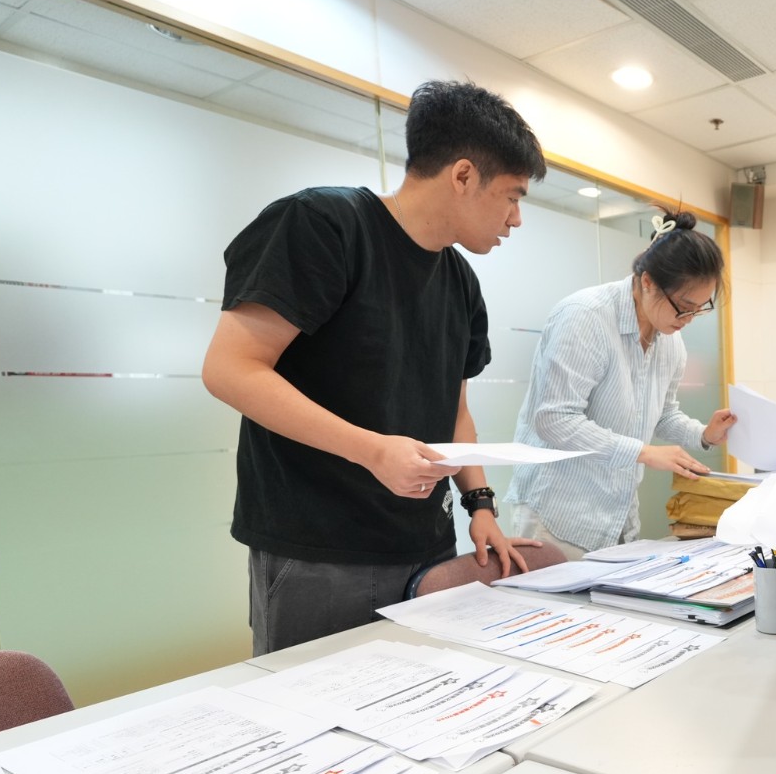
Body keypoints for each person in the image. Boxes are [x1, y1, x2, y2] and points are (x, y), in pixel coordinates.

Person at [203, 80, 552, 656]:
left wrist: (481, 505)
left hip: (426, 544)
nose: (516, 219)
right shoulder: (323, 225)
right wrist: (372, 451)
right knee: (312, 703)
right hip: (319, 552)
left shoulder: (461, 281)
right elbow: (230, 369)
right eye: (512, 197)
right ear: (464, 176)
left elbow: (455, 412)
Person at [503, 210, 738, 557]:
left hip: (617, 516)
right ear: (648, 282)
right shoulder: (585, 317)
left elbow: (663, 414)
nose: (688, 319)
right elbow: (554, 419)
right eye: (683, 307)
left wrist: (705, 435)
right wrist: (643, 453)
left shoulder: (670, 339)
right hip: (557, 515)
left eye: (700, 309)